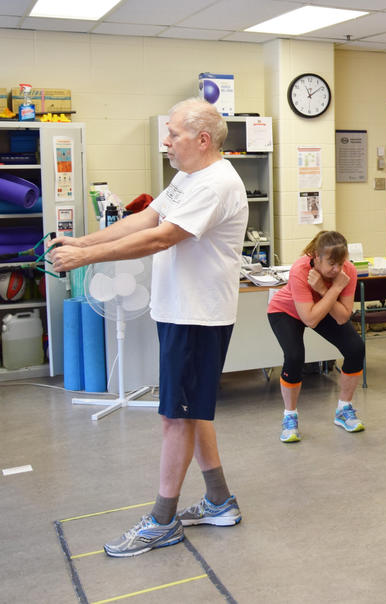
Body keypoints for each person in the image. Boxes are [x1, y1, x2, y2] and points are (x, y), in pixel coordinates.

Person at [50, 98, 248, 557]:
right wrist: (83, 239)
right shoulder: (187, 176)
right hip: (179, 312)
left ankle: (163, 521)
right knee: (190, 410)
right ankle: (219, 501)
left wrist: (85, 257)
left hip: (197, 317)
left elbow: (162, 237)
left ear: (202, 139)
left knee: (174, 417)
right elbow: (146, 218)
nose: (166, 141)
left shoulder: (216, 184)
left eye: (173, 134)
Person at [267, 230, 366, 442]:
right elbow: (309, 319)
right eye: (332, 263)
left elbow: (342, 317)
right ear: (317, 258)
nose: (337, 269)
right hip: (286, 311)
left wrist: (324, 288)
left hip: (323, 307)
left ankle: (343, 409)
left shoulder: (346, 272)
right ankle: (289, 417)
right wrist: (332, 290)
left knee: (356, 348)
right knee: (294, 356)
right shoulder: (300, 269)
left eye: (341, 262)